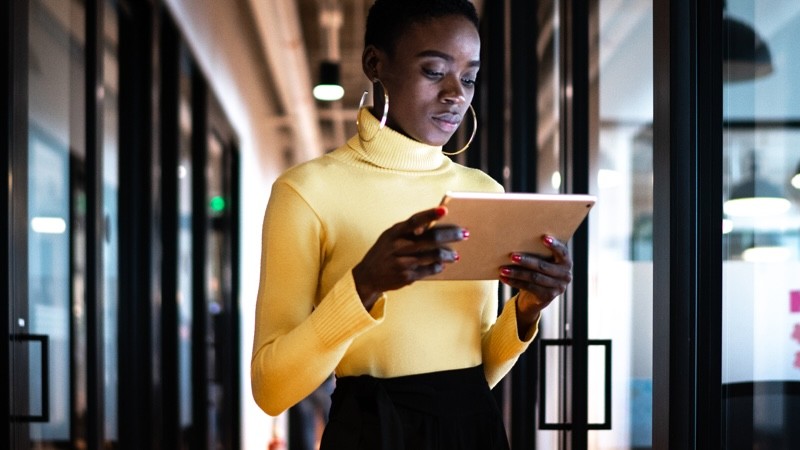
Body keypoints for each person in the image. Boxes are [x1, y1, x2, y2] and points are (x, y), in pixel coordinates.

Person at [251, 0, 573, 448]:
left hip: (473, 431)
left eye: (468, 77)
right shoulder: (305, 192)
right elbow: (271, 390)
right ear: (374, 63)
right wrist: (363, 286)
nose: (455, 94)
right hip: (370, 434)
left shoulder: (483, 193)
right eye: (433, 71)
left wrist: (527, 308)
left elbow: (477, 371)